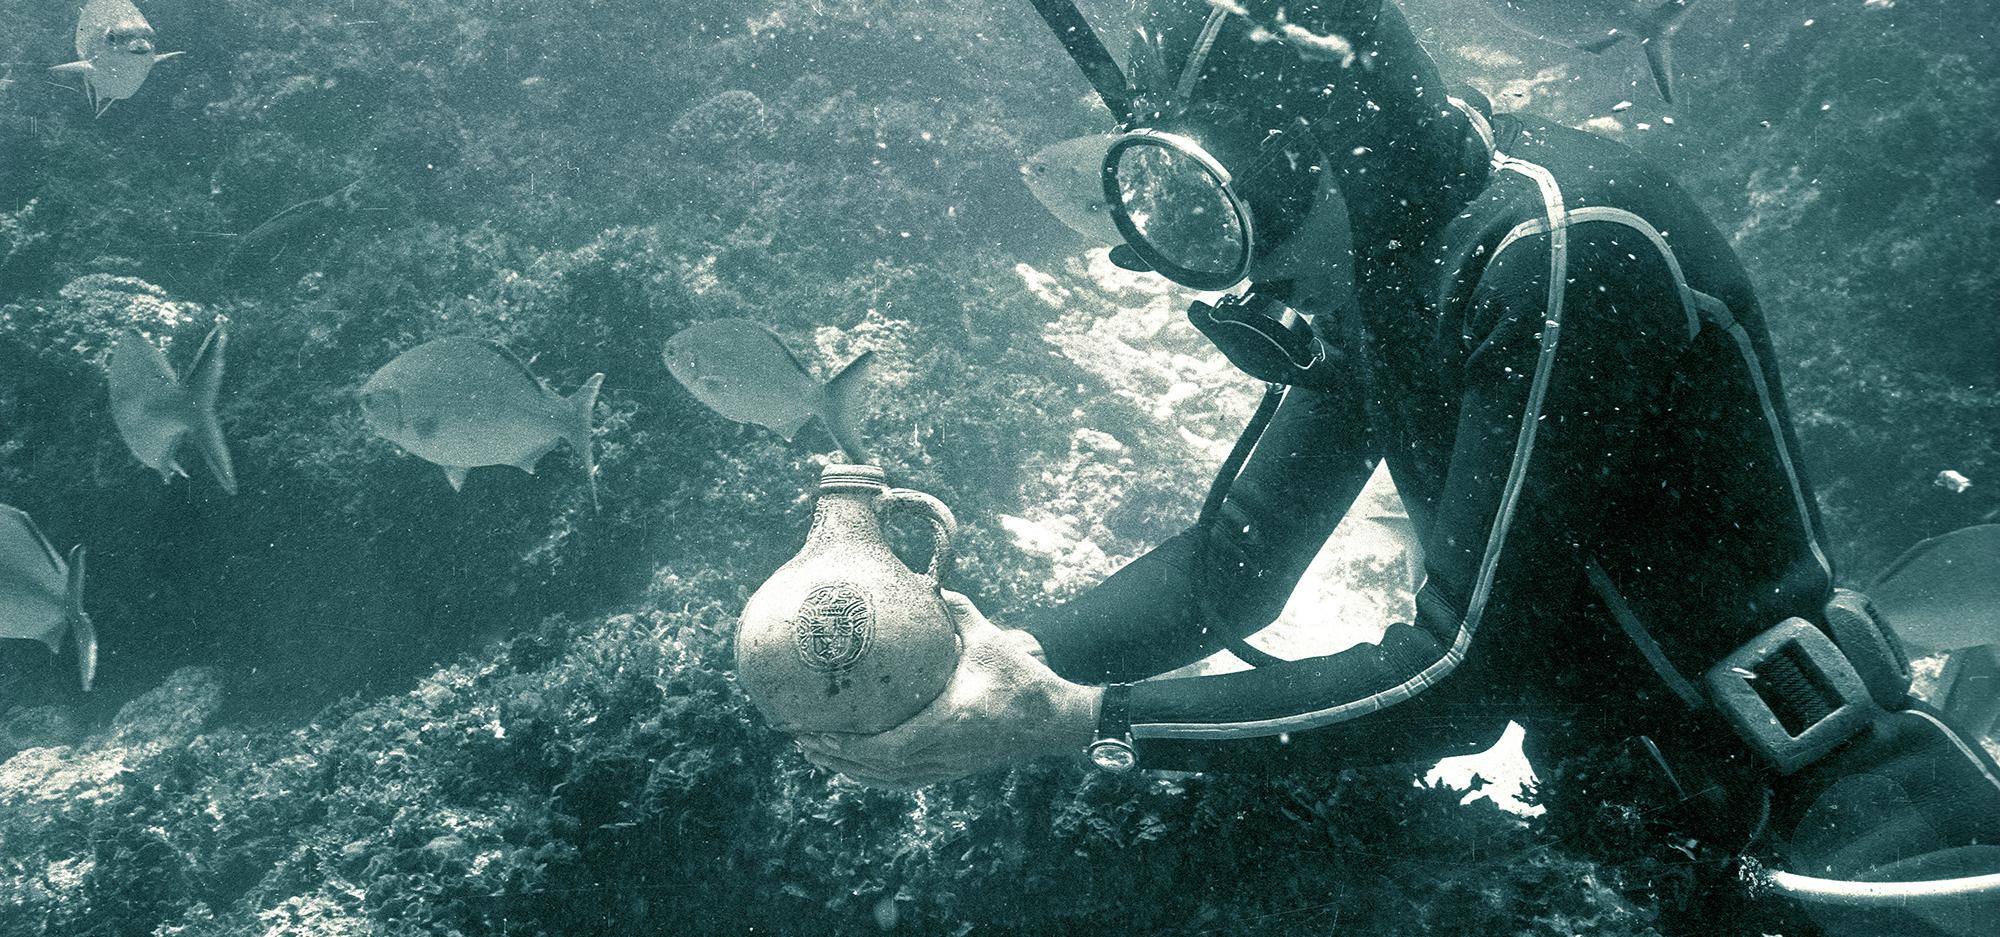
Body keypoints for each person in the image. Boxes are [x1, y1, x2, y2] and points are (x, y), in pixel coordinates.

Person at [800, 2, 2000, 931]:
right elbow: (1227, 570)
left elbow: (1456, 676)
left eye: (1221, 219)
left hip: (1850, 847)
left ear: (1329, 149)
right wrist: (988, 668)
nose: (1236, 284)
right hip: (1640, 840)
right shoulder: (1389, 268)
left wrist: (1079, 721)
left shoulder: (1557, 253)